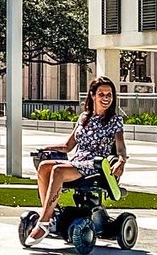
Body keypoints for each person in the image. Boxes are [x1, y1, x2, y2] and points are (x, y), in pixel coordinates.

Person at [26, 75, 128, 245]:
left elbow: (121, 147)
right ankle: (49, 215)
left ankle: (43, 223)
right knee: (44, 166)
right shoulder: (84, 118)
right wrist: (47, 148)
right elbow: (67, 146)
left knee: (58, 170)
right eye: (101, 94)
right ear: (93, 95)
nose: (106, 98)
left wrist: (121, 160)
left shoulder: (115, 121)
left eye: (109, 95)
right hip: (78, 161)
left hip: (96, 166)